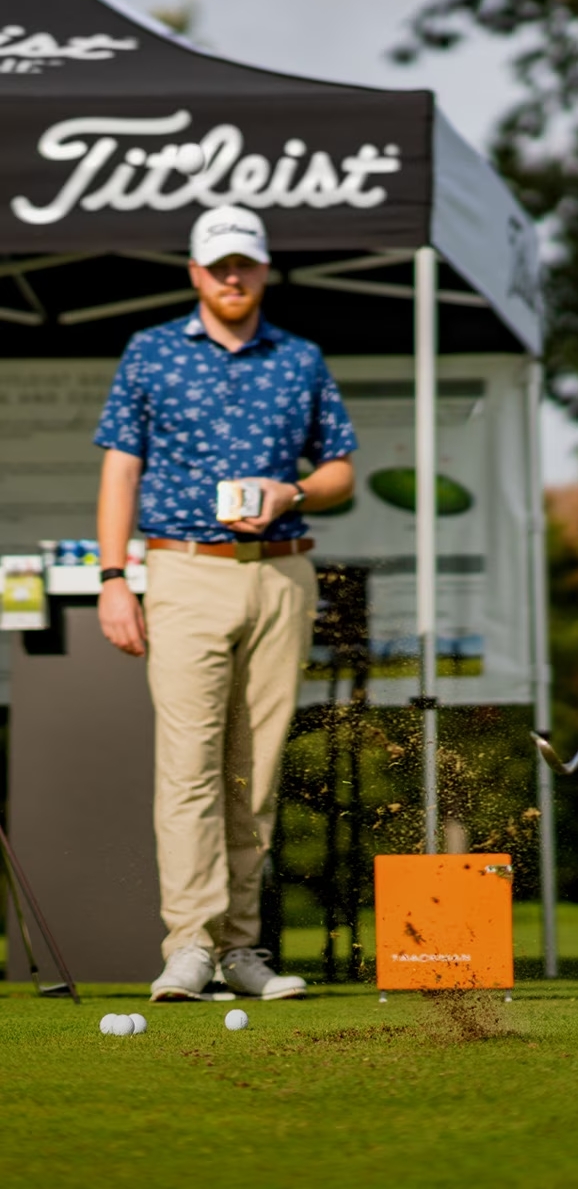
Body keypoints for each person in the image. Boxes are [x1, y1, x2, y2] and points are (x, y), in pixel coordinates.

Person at [95, 206, 356, 1002]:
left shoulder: (301, 358)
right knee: (188, 770)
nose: (231, 276)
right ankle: (190, 947)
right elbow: (119, 469)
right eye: (218, 266)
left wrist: (294, 490)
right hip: (182, 572)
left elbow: (342, 471)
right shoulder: (150, 353)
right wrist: (115, 577)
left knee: (257, 774)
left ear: (265, 269)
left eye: (244, 263)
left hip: (280, 574)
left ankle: (242, 949)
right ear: (195, 273)